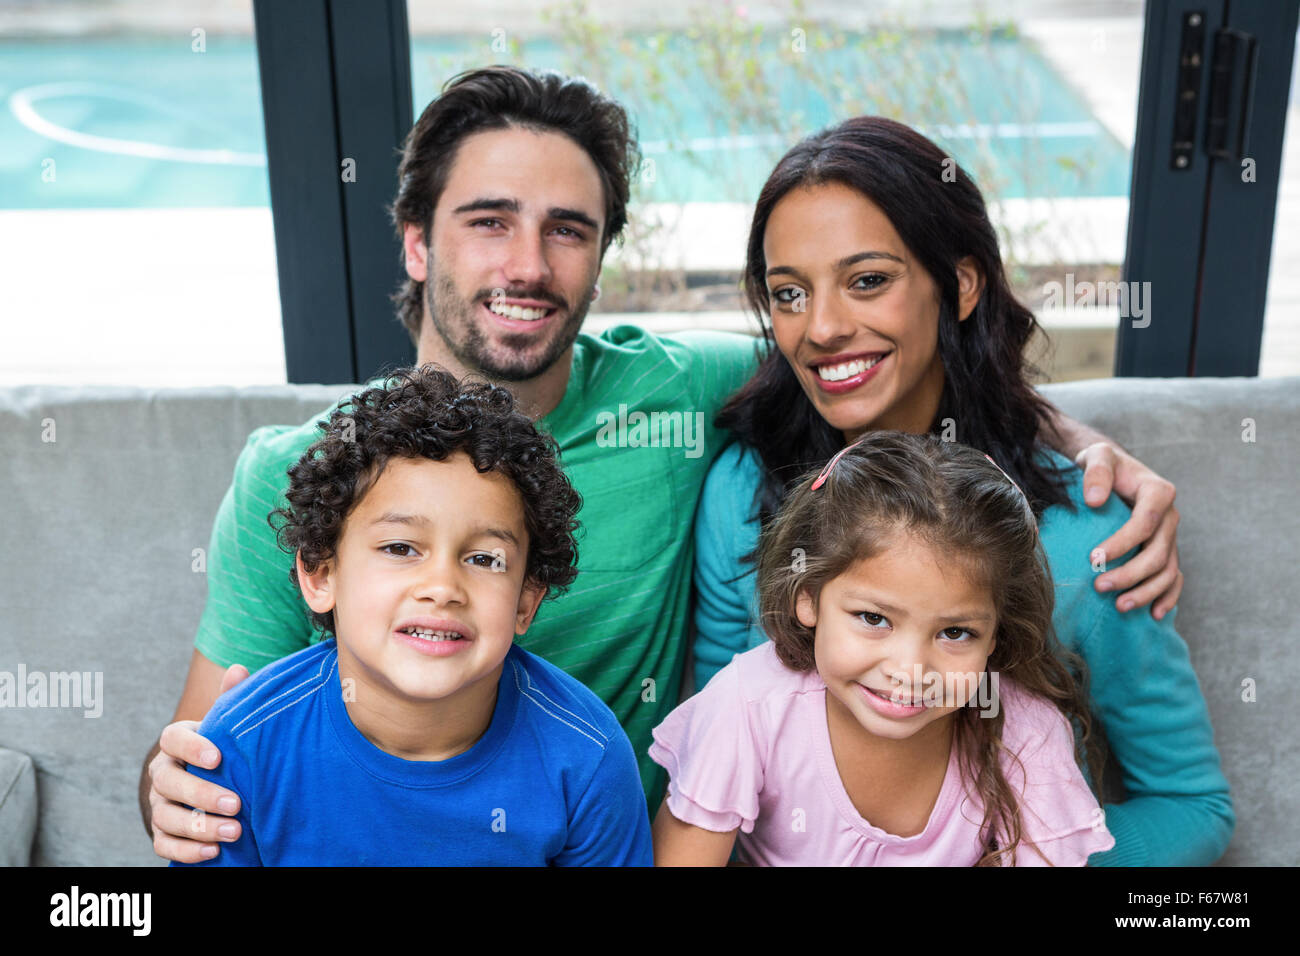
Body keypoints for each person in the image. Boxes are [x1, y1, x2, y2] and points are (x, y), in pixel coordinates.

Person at [142, 66, 1185, 864]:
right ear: (415, 242)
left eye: (568, 230)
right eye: (486, 221)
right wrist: (168, 782)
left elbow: (870, 363)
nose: (525, 265)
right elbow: (209, 758)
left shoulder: (678, 394)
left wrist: (1070, 446)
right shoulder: (300, 472)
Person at [690, 116, 1233, 865]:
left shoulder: (1090, 538)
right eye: (789, 293)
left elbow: (1193, 806)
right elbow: (703, 767)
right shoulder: (745, 491)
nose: (820, 328)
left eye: (868, 281)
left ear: (962, 283)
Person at [173, 366, 651, 865]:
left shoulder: (588, 758)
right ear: (320, 575)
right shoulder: (244, 745)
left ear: (527, 600)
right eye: (401, 547)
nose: (442, 588)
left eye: (484, 559)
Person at [652, 432, 1115, 865]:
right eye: (874, 619)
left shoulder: (1027, 734)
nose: (911, 669)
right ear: (807, 597)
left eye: (955, 632)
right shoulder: (747, 707)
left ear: (996, 632)